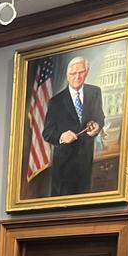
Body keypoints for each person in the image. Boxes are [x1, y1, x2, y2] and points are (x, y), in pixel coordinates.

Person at [41, 56, 105, 196]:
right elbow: (47, 133)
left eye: (81, 72)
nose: (77, 77)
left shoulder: (95, 92)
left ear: (86, 72)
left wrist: (97, 125)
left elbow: (100, 117)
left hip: (86, 160)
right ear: (67, 75)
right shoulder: (55, 102)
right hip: (64, 166)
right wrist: (61, 137)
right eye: (73, 73)